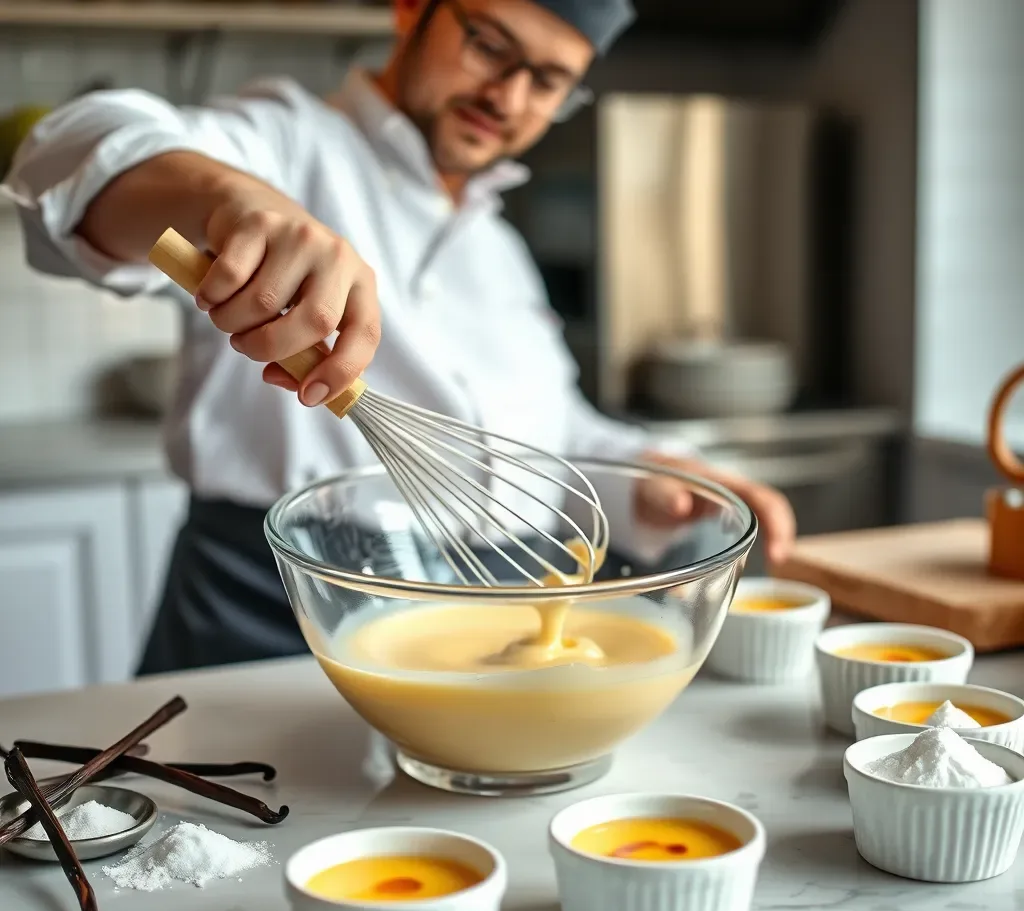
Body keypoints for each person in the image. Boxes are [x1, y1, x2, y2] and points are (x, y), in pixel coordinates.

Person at [5, 0, 796, 675]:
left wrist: (647, 476)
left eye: (548, 80)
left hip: (482, 626)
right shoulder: (286, 143)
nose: (510, 95)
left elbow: (546, 427)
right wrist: (234, 200)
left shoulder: (497, 246)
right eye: (489, 43)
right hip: (266, 621)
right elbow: (71, 152)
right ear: (413, 7)